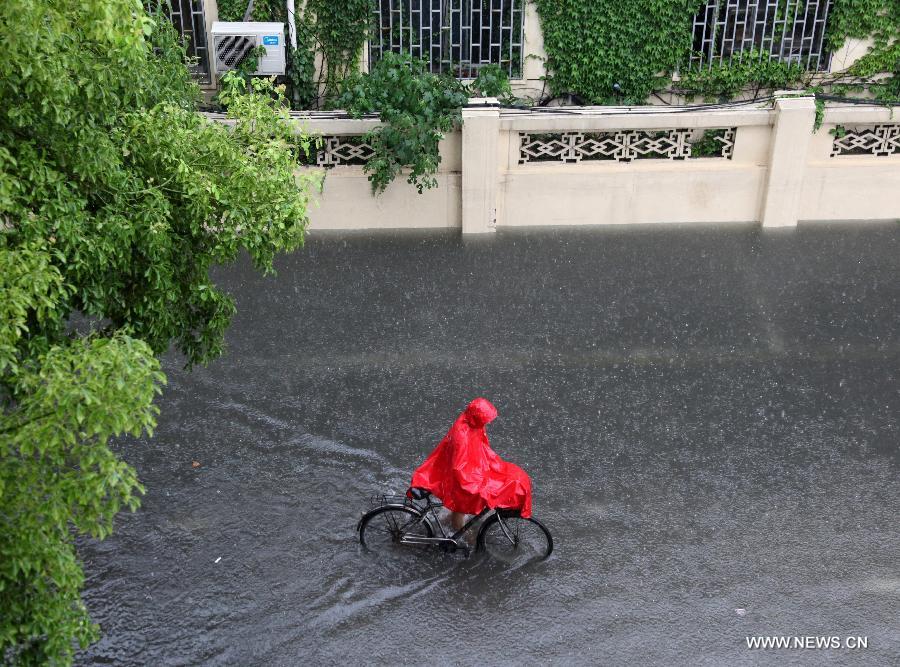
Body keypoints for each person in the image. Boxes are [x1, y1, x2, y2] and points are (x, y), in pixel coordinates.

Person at [409, 398, 532, 536]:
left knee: (511, 479)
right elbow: (459, 467)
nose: (487, 423)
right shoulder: (462, 435)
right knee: (462, 506)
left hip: (465, 469)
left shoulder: (470, 424)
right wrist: (475, 484)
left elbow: (477, 449)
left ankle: (451, 524)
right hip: (459, 478)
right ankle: (466, 537)